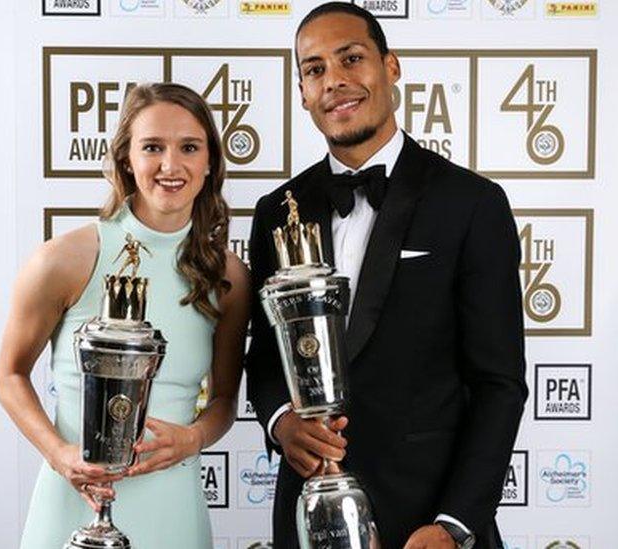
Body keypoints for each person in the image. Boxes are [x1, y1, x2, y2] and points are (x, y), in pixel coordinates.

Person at [244, 3, 528, 548]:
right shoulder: (277, 210)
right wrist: (282, 420)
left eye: (352, 58)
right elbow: (262, 357)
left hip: (427, 520)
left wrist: (456, 523)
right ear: (302, 92)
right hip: (310, 512)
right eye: (315, 69)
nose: (335, 81)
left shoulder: (472, 204)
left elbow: (499, 384)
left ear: (391, 66)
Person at [0, 83, 250, 548]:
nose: (170, 166)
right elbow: (10, 374)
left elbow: (225, 402)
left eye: (188, 147)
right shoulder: (66, 259)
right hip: (74, 499)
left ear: (210, 161)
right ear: (126, 159)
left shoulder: (227, 275)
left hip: (173, 508)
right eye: (152, 147)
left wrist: (192, 440)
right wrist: (59, 454)